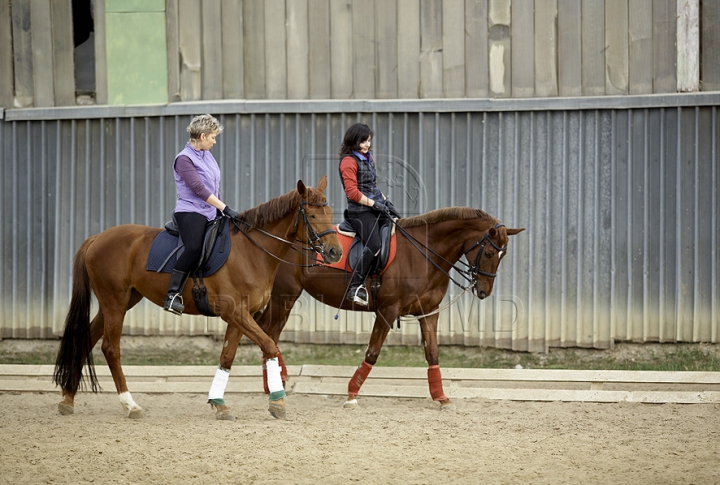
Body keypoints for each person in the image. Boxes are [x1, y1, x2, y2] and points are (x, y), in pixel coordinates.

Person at [164, 114, 240, 315]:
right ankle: (172, 295)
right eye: (213, 137)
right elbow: (198, 188)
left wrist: (220, 209)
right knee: (194, 247)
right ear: (203, 136)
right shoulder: (183, 159)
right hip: (190, 211)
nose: (214, 141)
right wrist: (224, 207)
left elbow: (214, 187)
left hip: (210, 210)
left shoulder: (207, 155)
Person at [338, 123, 399, 307]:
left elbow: (372, 185)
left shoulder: (368, 157)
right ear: (354, 140)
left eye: (368, 141)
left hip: (375, 207)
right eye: (363, 141)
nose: (367, 144)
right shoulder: (348, 161)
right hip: (359, 212)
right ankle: (355, 286)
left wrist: (384, 200)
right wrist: (374, 203)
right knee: (374, 244)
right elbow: (352, 193)